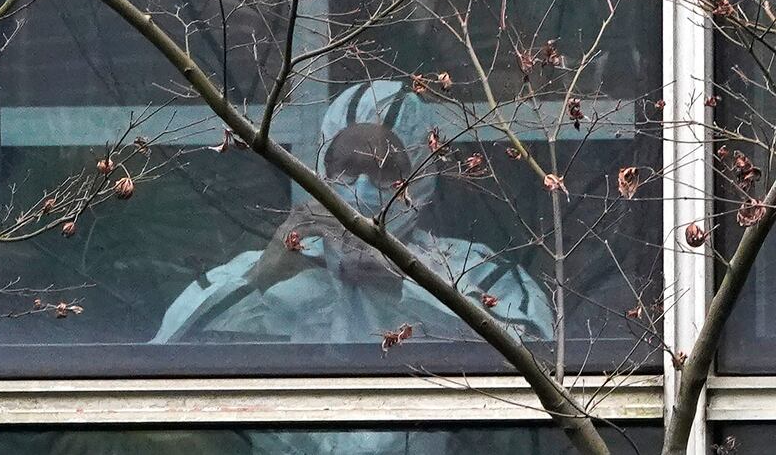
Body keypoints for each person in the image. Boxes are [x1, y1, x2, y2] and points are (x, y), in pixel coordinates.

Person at [154, 80, 553, 345]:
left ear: (423, 178)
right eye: (345, 168)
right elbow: (164, 357)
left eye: (385, 171)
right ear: (320, 171)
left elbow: (541, 363)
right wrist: (260, 278)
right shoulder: (262, 272)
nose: (361, 190)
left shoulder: (477, 274)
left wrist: (405, 286)